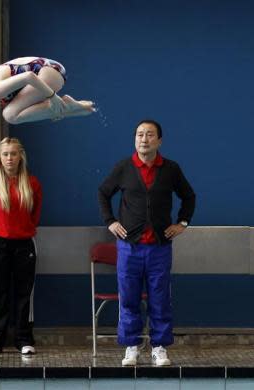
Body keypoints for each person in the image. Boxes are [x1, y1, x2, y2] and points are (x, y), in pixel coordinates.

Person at [97, 119, 195, 367]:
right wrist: (110, 221)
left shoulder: (171, 169)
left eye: (150, 135)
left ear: (159, 140)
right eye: (140, 134)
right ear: (134, 139)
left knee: (159, 297)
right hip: (129, 247)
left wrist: (182, 223)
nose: (144, 139)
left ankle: (159, 347)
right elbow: (103, 193)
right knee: (128, 296)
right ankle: (132, 345)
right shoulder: (124, 167)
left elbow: (189, 196)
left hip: (160, 248)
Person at [0, 137, 42, 355]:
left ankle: (24, 339)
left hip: (25, 245)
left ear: (20, 156)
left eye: (13, 153)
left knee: (25, 294)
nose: (9, 158)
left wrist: (23, 231)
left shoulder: (32, 183)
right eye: (5, 154)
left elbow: (35, 215)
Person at [0, 56, 96, 132]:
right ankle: (69, 109)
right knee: (11, 114)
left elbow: (28, 76)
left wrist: (52, 97)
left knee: (10, 115)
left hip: (50, 71)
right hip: (49, 75)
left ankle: (65, 107)